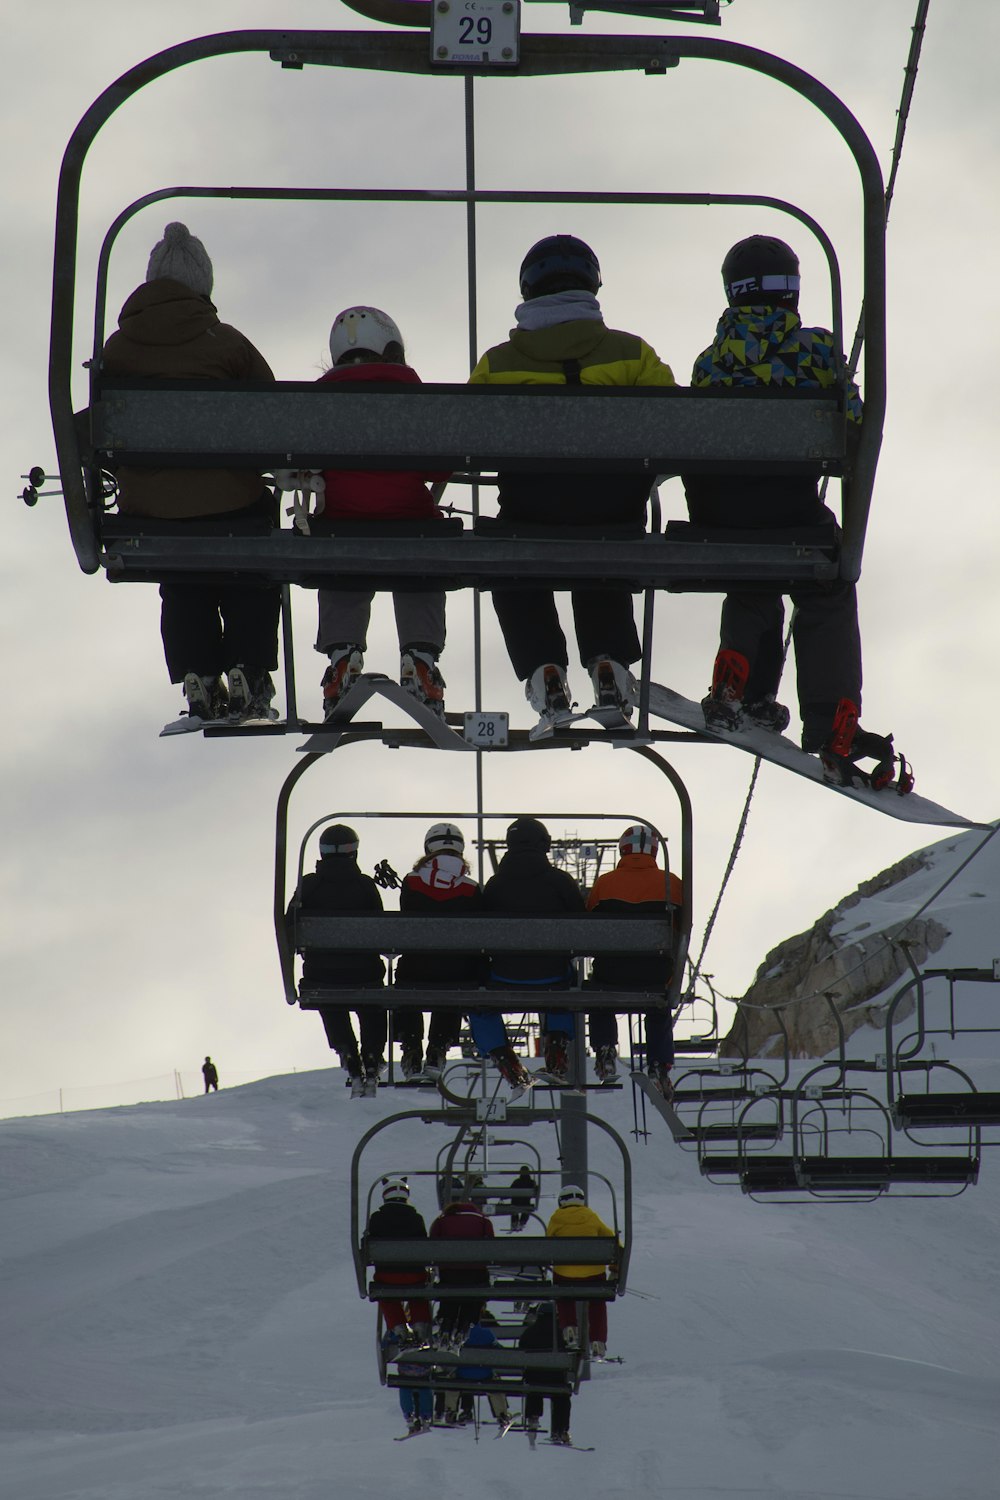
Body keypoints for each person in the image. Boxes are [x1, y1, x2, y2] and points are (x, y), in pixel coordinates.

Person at [683, 234, 907, 790]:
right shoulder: (817, 351)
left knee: (752, 571)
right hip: (792, 508)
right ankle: (832, 718)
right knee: (825, 583)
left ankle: (742, 679)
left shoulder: (710, 362)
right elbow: (856, 426)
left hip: (721, 515)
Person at [470, 234, 676, 729]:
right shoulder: (631, 353)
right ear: (592, 285)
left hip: (530, 510)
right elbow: (676, 424)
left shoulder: (499, 363)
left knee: (510, 559)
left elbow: (467, 434)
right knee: (600, 550)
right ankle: (608, 663)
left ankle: (544, 670)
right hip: (613, 511)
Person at [101, 222, 281, 723]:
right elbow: (278, 421)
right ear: (204, 285)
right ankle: (247, 667)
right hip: (233, 508)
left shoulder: (116, 351)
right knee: (252, 570)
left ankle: (197, 673)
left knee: (182, 577)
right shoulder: (227, 344)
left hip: (151, 514)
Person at [301, 306, 450, 720]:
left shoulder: (315, 402)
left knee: (338, 558)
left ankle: (341, 658)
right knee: (424, 554)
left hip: (340, 525)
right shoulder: (413, 395)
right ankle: (420, 659)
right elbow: (441, 465)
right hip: (412, 524)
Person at [476, 816, 585, 1086]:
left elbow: (480, 930)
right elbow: (583, 927)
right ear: (544, 845)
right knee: (566, 987)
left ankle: (503, 1055)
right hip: (552, 974)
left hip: (504, 975)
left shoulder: (495, 885)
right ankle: (557, 1043)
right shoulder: (561, 881)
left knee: (477, 1000)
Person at [286, 823, 387, 1097]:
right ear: (354, 852)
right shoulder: (365, 885)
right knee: (372, 1002)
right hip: (365, 972)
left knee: (328, 994)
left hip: (322, 973)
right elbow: (381, 930)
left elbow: (290, 926)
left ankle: (346, 1050)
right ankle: (372, 1054)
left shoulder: (308, 885)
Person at [586, 823, 681, 1096]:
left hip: (612, 971)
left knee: (598, 991)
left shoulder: (605, 883)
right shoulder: (671, 883)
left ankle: (605, 1047)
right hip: (655, 970)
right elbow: (682, 926)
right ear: (654, 851)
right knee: (658, 1001)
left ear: (623, 850)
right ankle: (659, 1063)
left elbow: (589, 925)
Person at [393, 823, 482, 1078]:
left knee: (408, 979)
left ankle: (411, 1046)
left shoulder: (411, 882)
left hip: (415, 967)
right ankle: (438, 1047)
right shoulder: (471, 888)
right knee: (455, 977)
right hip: (456, 971)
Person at [546, 1183, 616, 1359]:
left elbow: (546, 1245)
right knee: (597, 1302)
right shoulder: (591, 1217)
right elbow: (612, 1241)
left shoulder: (556, 1218)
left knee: (564, 1296)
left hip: (565, 1275)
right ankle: (598, 1341)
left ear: (561, 1201)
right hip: (593, 1275)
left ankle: (570, 1329)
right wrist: (614, 1268)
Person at [367, 1177, 432, 1348]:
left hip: (387, 1275)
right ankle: (420, 1328)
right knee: (418, 1292)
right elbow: (424, 1246)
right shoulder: (416, 1218)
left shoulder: (377, 1218)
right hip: (414, 1274)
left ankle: (399, 1330)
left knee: (386, 1294)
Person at [428, 1198, 494, 1349]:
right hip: (476, 1274)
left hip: (449, 1274)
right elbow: (492, 1247)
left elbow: (431, 1246)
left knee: (450, 1290)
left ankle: (446, 1321)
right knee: (474, 1291)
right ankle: (467, 1323)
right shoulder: (483, 1221)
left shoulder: (441, 1221)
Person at [441, 1321, 513, 1432]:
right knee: (496, 1383)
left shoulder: (459, 1334)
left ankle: (450, 1410)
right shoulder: (487, 1333)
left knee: (451, 1380)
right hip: (484, 1374)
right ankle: (502, 1413)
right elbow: (499, 1351)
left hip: (463, 1374)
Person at [518, 1301, 573, 1446]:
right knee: (561, 1396)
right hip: (556, 1378)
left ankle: (533, 1416)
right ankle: (560, 1430)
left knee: (534, 1387)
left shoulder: (529, 1332)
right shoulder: (561, 1332)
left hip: (534, 1377)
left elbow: (521, 1350)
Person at [507, 1165, 539, 1232]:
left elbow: (510, 1192)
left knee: (514, 1207)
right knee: (526, 1208)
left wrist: (503, 1197)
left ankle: (514, 1222)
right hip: (526, 1204)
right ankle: (522, 1222)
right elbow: (536, 1191)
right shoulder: (531, 1182)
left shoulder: (516, 1182)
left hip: (515, 1204)